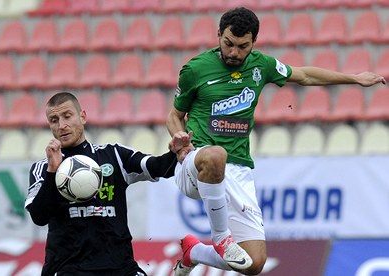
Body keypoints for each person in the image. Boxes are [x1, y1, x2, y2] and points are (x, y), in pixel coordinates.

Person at [167, 7, 387, 276]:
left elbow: (305, 75)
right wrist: (179, 137)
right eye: (228, 44)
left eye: (242, 46)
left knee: (253, 263)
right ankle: (222, 238)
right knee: (216, 155)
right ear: (218, 36)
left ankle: (195, 252)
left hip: (238, 171)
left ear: (253, 43)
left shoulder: (262, 65)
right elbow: (174, 116)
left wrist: (354, 79)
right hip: (196, 162)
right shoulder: (195, 69)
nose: (234, 52)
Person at [25, 92, 191, 276]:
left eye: (67, 116)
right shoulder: (43, 167)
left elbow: (157, 167)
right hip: (68, 269)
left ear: (83, 117)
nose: (62, 125)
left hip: (120, 268)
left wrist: (177, 152)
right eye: (54, 120)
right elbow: (39, 217)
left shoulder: (114, 155)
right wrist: (53, 172)